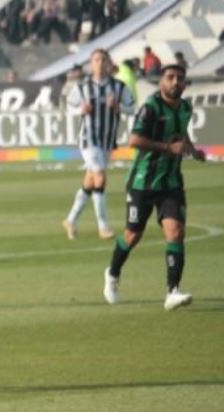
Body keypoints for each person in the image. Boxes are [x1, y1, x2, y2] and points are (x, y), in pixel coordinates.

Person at [102, 64, 206, 311]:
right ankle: (113, 273)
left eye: (180, 78)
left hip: (171, 182)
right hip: (142, 182)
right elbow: (134, 140)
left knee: (176, 232)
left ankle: (173, 291)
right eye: (170, 77)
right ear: (161, 81)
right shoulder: (150, 107)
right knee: (132, 235)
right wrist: (169, 149)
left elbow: (182, 135)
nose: (175, 82)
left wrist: (192, 149)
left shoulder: (185, 108)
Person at [62, 49, 133, 241]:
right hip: (89, 139)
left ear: (109, 63)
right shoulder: (82, 87)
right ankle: (103, 226)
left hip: (107, 141)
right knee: (100, 177)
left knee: (91, 181)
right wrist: (80, 110)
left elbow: (132, 107)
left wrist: (119, 107)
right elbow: (69, 107)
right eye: (96, 59)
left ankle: (70, 220)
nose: (100, 63)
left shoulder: (119, 87)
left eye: (103, 59)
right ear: (91, 64)